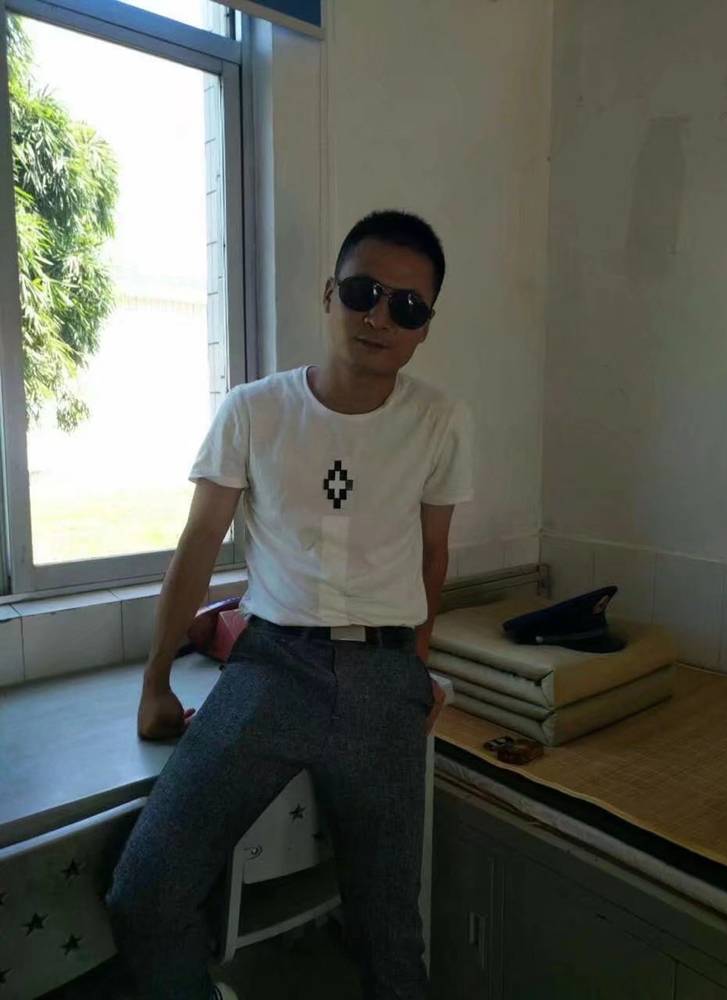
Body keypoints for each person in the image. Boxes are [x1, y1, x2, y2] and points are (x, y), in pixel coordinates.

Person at [105, 210, 474, 1000]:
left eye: (407, 306)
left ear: (425, 327)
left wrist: (417, 668)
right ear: (329, 293)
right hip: (271, 666)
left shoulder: (439, 420)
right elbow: (198, 545)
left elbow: (432, 554)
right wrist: (155, 681)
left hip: (384, 678)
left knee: (388, 935)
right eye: (363, 292)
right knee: (146, 893)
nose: (379, 317)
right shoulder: (254, 410)